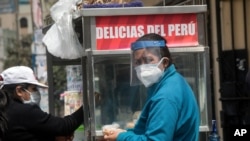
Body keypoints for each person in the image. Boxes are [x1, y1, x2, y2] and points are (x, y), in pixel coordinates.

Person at [103, 33, 200, 141]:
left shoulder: (166, 96)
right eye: (138, 62)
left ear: (165, 62)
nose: (143, 67)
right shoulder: (171, 82)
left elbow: (156, 139)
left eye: (149, 60)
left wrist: (121, 137)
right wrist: (125, 133)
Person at [0, 66, 84, 141]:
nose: (36, 93)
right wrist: (88, 106)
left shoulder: (5, 110)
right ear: (19, 91)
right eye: (33, 89)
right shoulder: (25, 112)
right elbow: (64, 126)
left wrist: (53, 138)